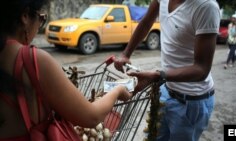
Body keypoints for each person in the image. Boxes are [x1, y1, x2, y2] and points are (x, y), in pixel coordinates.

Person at [0, 0, 132, 140]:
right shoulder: (33, 60)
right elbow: (91, 117)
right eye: (41, 18)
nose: (39, 26)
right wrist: (117, 90)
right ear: (25, 16)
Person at [114, 0, 220, 141]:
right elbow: (146, 23)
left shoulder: (206, 7)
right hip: (166, 90)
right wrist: (126, 54)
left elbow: (201, 69)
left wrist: (159, 75)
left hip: (191, 101)